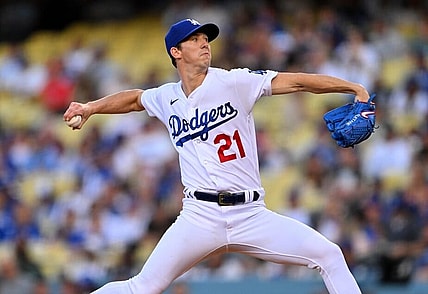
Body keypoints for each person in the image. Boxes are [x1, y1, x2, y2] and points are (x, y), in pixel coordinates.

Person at [64, 18, 370, 294]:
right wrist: (90, 107)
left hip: (251, 214)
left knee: (329, 255)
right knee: (143, 286)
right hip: (200, 216)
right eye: (194, 40)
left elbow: (297, 81)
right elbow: (134, 99)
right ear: (176, 52)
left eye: (205, 38)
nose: (204, 43)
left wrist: (351, 86)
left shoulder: (233, 81)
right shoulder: (167, 97)